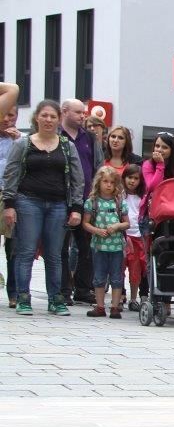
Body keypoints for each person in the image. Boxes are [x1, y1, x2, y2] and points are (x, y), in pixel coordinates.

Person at [2, 99, 85, 316]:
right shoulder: (23, 143)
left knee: (55, 254)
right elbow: (10, 174)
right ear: (36, 117)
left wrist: (76, 207)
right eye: (44, 115)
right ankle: (22, 297)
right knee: (26, 251)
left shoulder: (67, 146)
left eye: (53, 116)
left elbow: (78, 179)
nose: (48, 120)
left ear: (59, 120)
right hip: (28, 201)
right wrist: (9, 205)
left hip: (58, 204)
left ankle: (56, 299)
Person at [60, 98, 104, 306]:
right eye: (78, 112)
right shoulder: (56, 135)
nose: (82, 116)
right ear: (65, 111)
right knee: (60, 247)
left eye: (83, 112)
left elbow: (98, 166)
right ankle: (63, 290)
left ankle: (83, 289)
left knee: (87, 246)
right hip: (61, 198)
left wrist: (96, 195)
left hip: (87, 199)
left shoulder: (89, 138)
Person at [82, 167, 129, 319]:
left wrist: (117, 226)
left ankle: (115, 306)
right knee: (99, 276)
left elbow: (127, 223)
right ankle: (100, 306)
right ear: (99, 183)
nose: (109, 185)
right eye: (105, 181)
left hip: (116, 246)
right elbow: (86, 223)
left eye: (112, 182)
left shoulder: (119, 202)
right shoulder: (92, 202)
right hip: (99, 245)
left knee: (117, 276)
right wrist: (96, 230)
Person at [0, 100, 21, 307]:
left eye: (11, 115)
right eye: (3, 114)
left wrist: (18, 143)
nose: (7, 119)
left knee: (13, 247)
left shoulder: (23, 141)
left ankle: (14, 293)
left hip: (12, 196)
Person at [121, 164, 146, 311]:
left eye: (136, 178)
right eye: (129, 177)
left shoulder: (142, 197)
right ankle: (119, 296)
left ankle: (133, 298)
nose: (132, 181)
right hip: (123, 236)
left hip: (137, 236)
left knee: (135, 270)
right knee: (119, 269)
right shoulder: (119, 196)